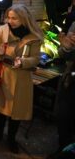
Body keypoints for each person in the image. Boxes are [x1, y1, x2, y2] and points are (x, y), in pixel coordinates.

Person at [0, 4, 43, 154]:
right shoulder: (2, 30)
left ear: (24, 19)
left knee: (17, 112)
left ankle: (11, 139)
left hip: (22, 78)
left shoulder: (34, 36)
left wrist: (23, 62)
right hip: (4, 75)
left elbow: (36, 58)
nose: (10, 21)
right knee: (0, 109)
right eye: (8, 17)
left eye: (14, 18)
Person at [54, 22, 75, 153]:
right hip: (70, 80)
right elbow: (63, 53)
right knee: (63, 118)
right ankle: (62, 151)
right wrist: (66, 47)